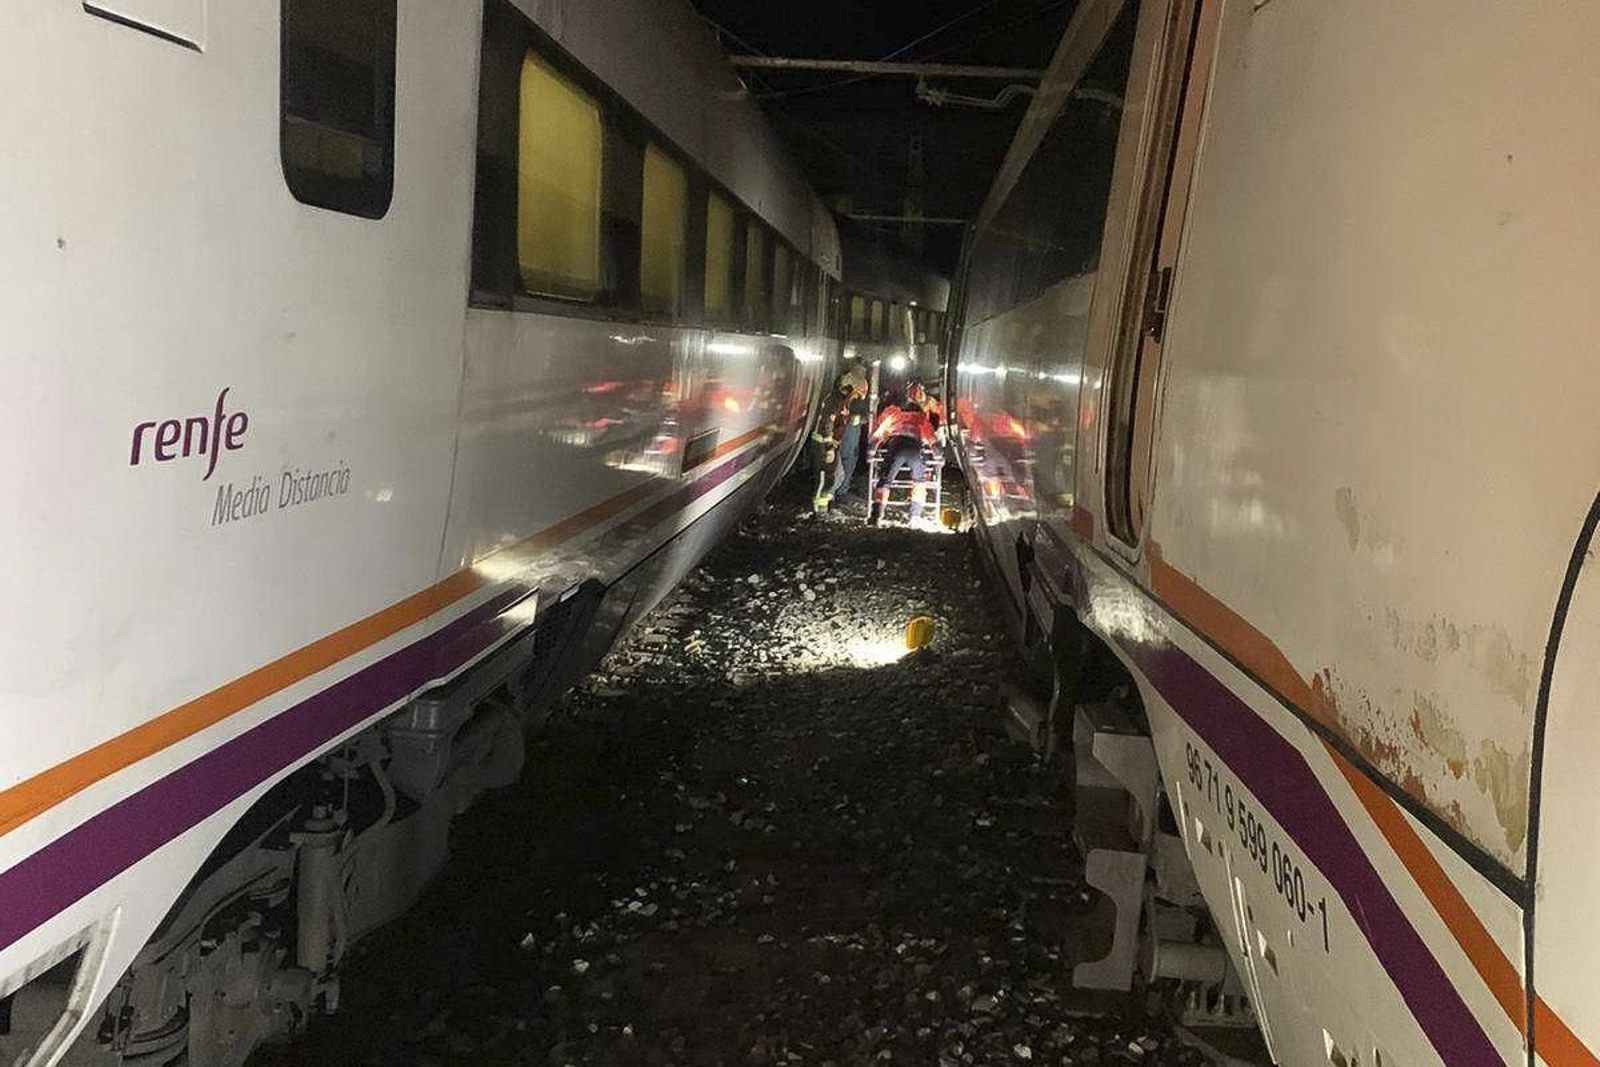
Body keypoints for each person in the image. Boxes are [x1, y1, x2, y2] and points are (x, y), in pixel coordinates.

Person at [869, 394, 937, 526]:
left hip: (896, 446)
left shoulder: (893, 416)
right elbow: (933, 441)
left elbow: (876, 437)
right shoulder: (921, 418)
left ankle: (877, 515)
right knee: (919, 481)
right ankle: (915, 516)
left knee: (885, 481)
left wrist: (870, 453)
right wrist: (939, 457)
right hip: (914, 448)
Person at [808, 371, 860, 514]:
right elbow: (827, 423)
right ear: (848, 388)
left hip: (832, 444)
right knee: (825, 478)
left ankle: (826, 506)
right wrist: (829, 447)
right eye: (855, 394)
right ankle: (819, 512)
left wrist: (853, 419)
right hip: (823, 445)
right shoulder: (834, 400)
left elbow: (840, 420)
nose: (855, 398)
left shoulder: (841, 401)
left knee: (838, 476)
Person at [830, 368, 870, 506]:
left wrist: (861, 419)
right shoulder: (843, 397)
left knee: (847, 460)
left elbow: (865, 414)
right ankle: (837, 492)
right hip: (845, 431)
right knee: (843, 461)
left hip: (850, 431)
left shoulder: (852, 394)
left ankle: (839, 491)